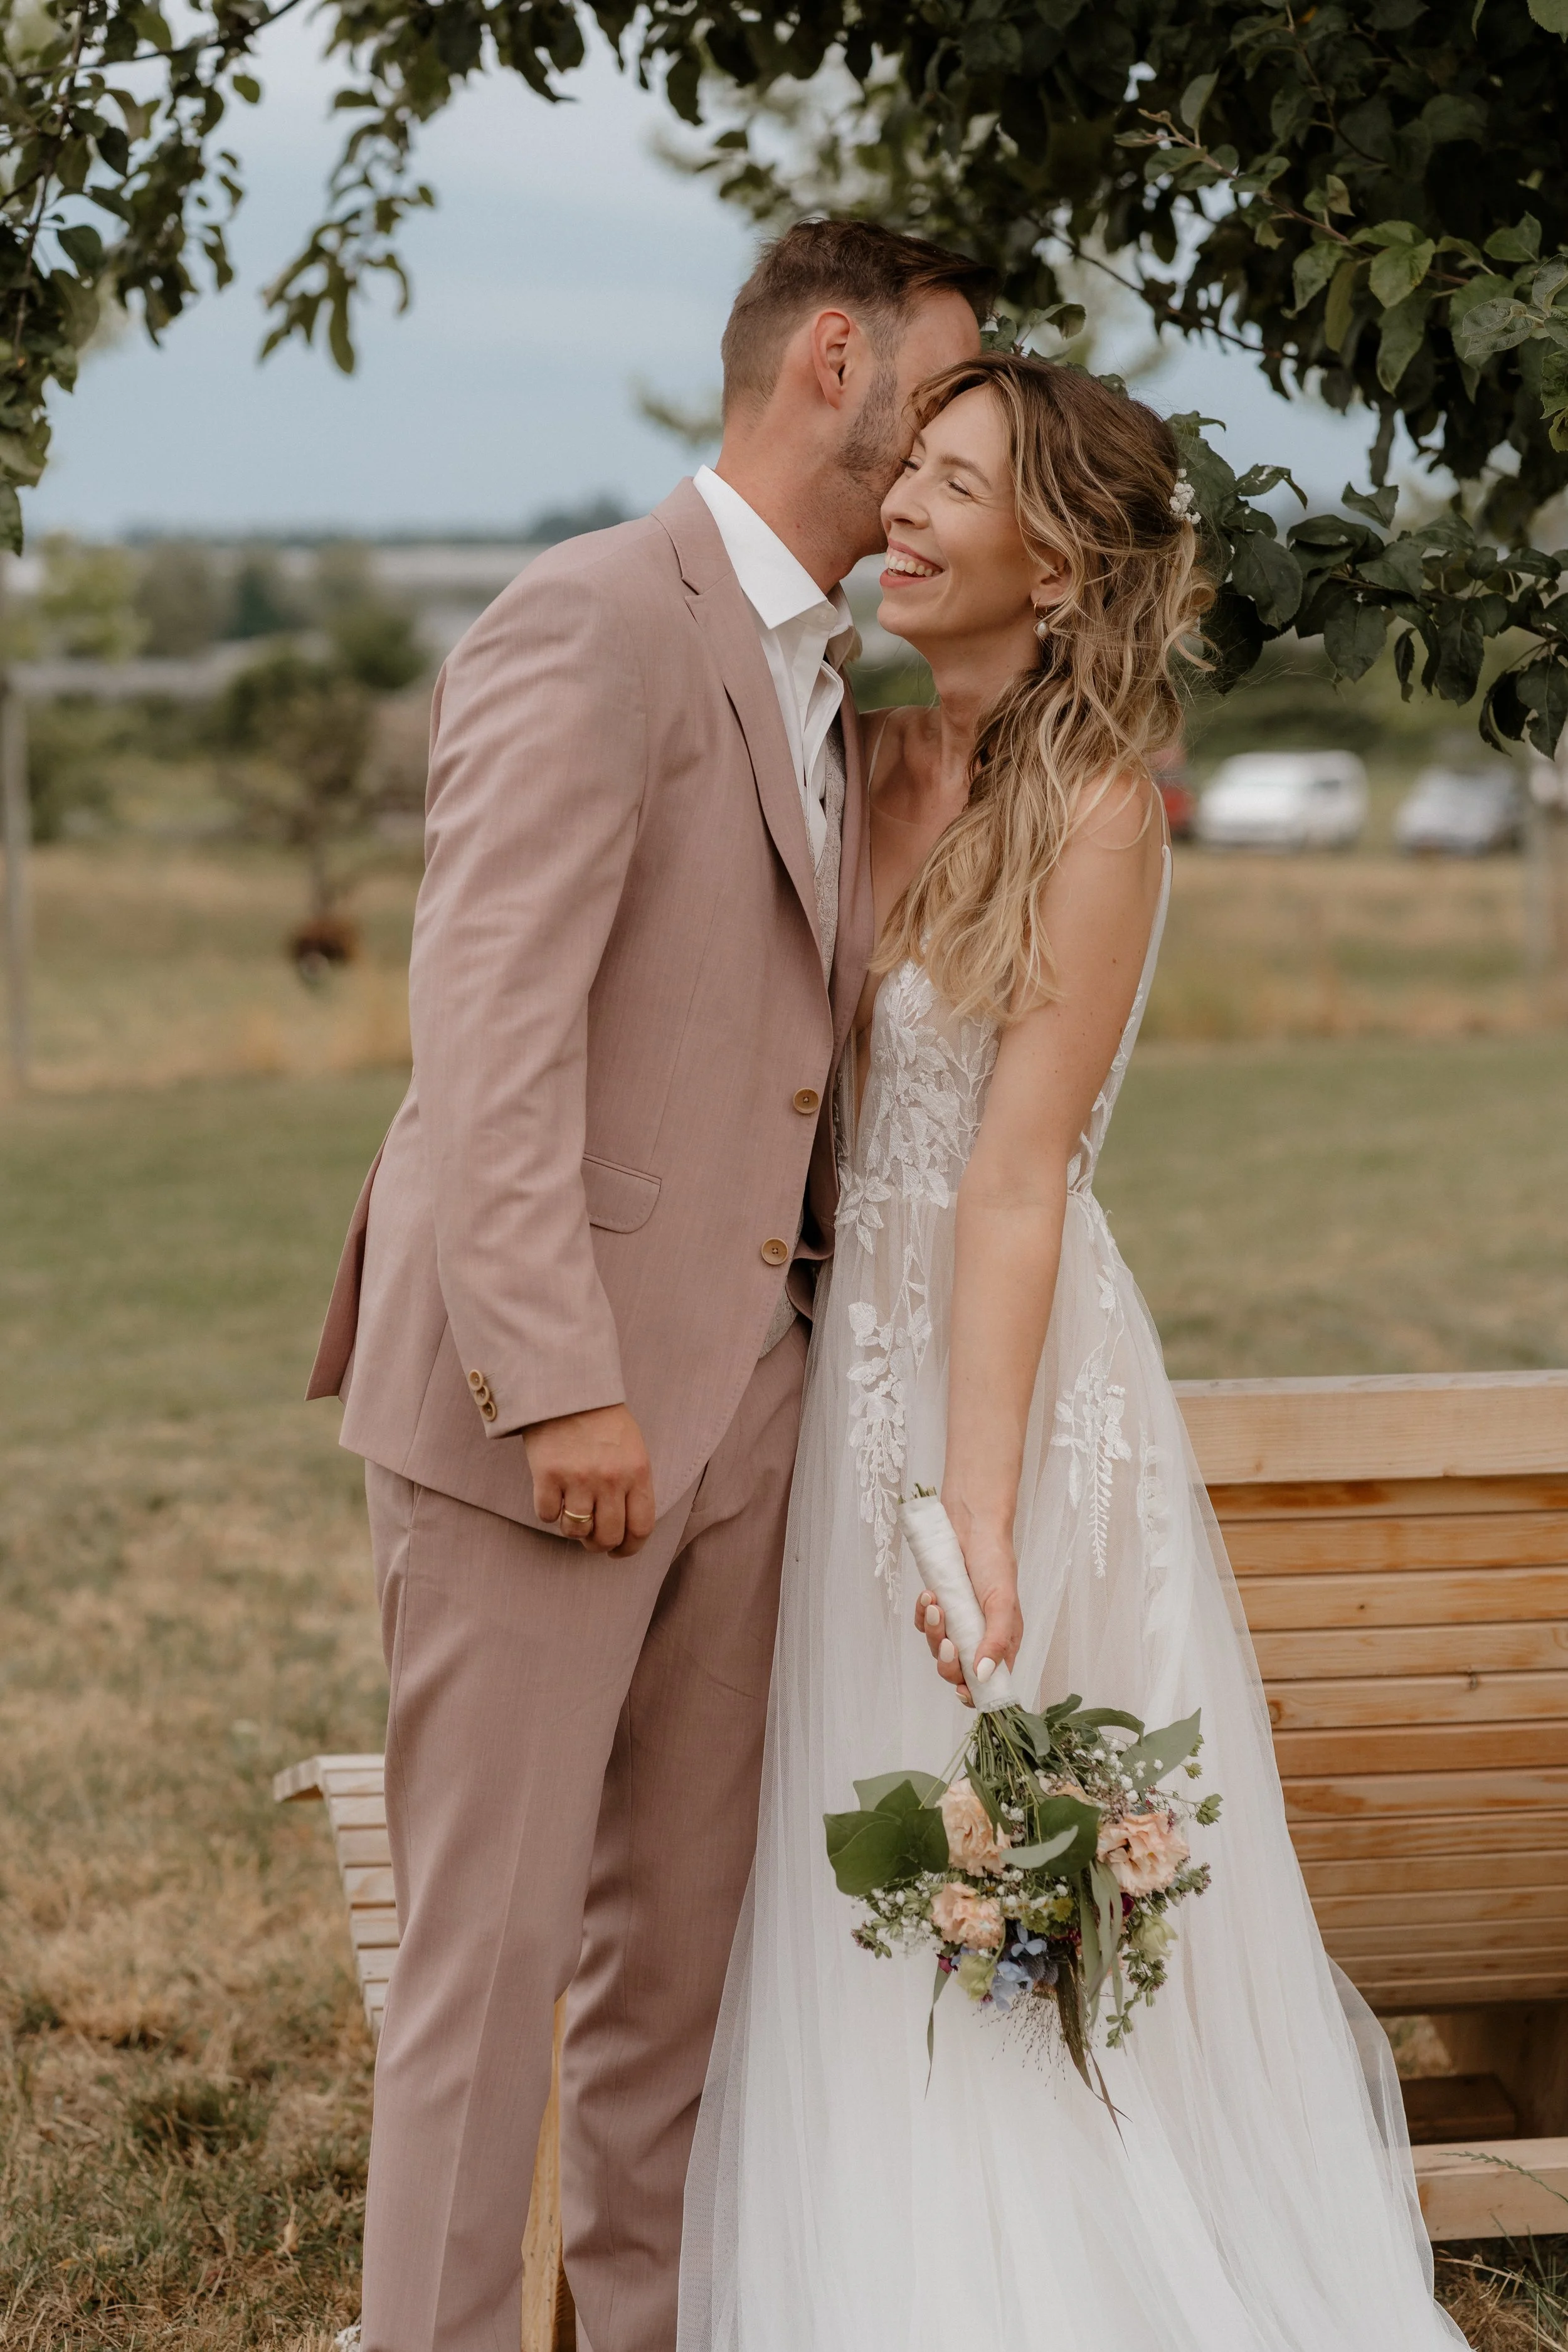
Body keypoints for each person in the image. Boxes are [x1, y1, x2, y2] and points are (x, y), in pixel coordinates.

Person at [677, 355, 1468, 2351]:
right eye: (909, 472)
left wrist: (970, 1496)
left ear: (1057, 559)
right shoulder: (866, 754)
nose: (905, 508)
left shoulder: (1095, 805)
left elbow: (1013, 1181)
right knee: (858, 1843)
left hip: (1000, 1396)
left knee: (984, 1828)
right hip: (852, 1365)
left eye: (955, 483)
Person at [305, 220, 988, 2352]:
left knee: (673, 1968)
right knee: (484, 1970)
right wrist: (555, 1381)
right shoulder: (590, 618)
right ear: (833, 357)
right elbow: (487, 1034)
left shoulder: (836, 677)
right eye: (943, 391)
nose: (957, 437)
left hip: (747, 1408)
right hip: (551, 1416)